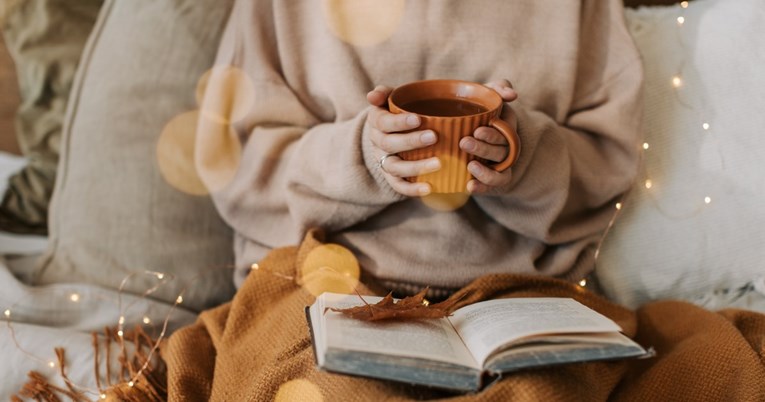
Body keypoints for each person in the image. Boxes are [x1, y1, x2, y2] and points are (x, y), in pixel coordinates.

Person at [203, 0, 643, 299]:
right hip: (317, 286)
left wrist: (522, 155)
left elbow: (608, 160)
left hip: (521, 293)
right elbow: (239, 165)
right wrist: (364, 156)